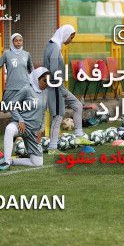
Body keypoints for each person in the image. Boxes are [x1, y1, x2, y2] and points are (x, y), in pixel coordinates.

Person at [43, 25, 92, 153]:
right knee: (58, 115)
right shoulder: (54, 47)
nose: (71, 39)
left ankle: (79, 135)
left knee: (77, 105)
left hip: (59, 86)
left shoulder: (55, 45)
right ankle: (52, 147)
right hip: (54, 86)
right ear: (65, 34)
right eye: (71, 36)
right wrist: (58, 85)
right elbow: (53, 70)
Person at [0, 67, 50, 171]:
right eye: (44, 81)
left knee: (38, 162)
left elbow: (43, 112)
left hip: (34, 131)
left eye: (48, 81)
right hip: (22, 126)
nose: (46, 84)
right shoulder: (26, 90)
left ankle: (11, 161)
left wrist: (41, 129)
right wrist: (20, 120)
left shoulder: (45, 92)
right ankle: (6, 161)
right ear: (36, 79)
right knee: (10, 129)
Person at [0, 33, 33, 109]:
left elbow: (32, 69)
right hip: (11, 86)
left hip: (25, 86)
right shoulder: (6, 54)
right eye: (16, 41)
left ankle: (20, 120)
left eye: (20, 40)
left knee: (24, 108)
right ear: (12, 42)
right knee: (4, 107)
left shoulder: (26, 54)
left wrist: (33, 81)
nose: (18, 42)